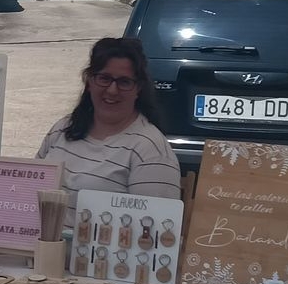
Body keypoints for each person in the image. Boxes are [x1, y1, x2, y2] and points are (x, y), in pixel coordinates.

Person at [36, 37, 180, 224]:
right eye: (104, 78)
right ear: (89, 81)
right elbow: (29, 189)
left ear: (138, 88)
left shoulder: (151, 150)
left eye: (124, 82)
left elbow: (154, 230)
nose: (112, 90)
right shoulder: (62, 128)